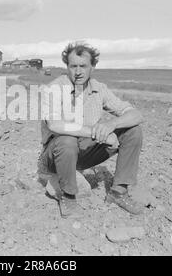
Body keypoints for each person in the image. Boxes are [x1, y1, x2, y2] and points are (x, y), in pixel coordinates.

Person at [38, 41, 145, 218]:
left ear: (92, 67)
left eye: (83, 66)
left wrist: (112, 125)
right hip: (56, 156)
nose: (78, 71)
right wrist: (97, 132)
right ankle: (68, 196)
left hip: (84, 153)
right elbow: (55, 125)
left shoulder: (99, 89)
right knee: (67, 139)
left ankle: (118, 193)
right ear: (67, 67)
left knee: (132, 131)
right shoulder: (55, 88)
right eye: (73, 66)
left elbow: (136, 114)